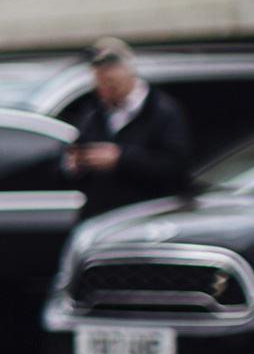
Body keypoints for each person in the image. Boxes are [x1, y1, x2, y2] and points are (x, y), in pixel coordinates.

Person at [65, 39, 193, 219]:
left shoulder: (162, 111)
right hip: (102, 217)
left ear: (129, 73)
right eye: (98, 81)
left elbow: (175, 167)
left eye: (110, 81)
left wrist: (120, 158)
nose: (103, 89)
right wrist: (78, 162)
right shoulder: (93, 113)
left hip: (145, 216)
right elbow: (67, 166)